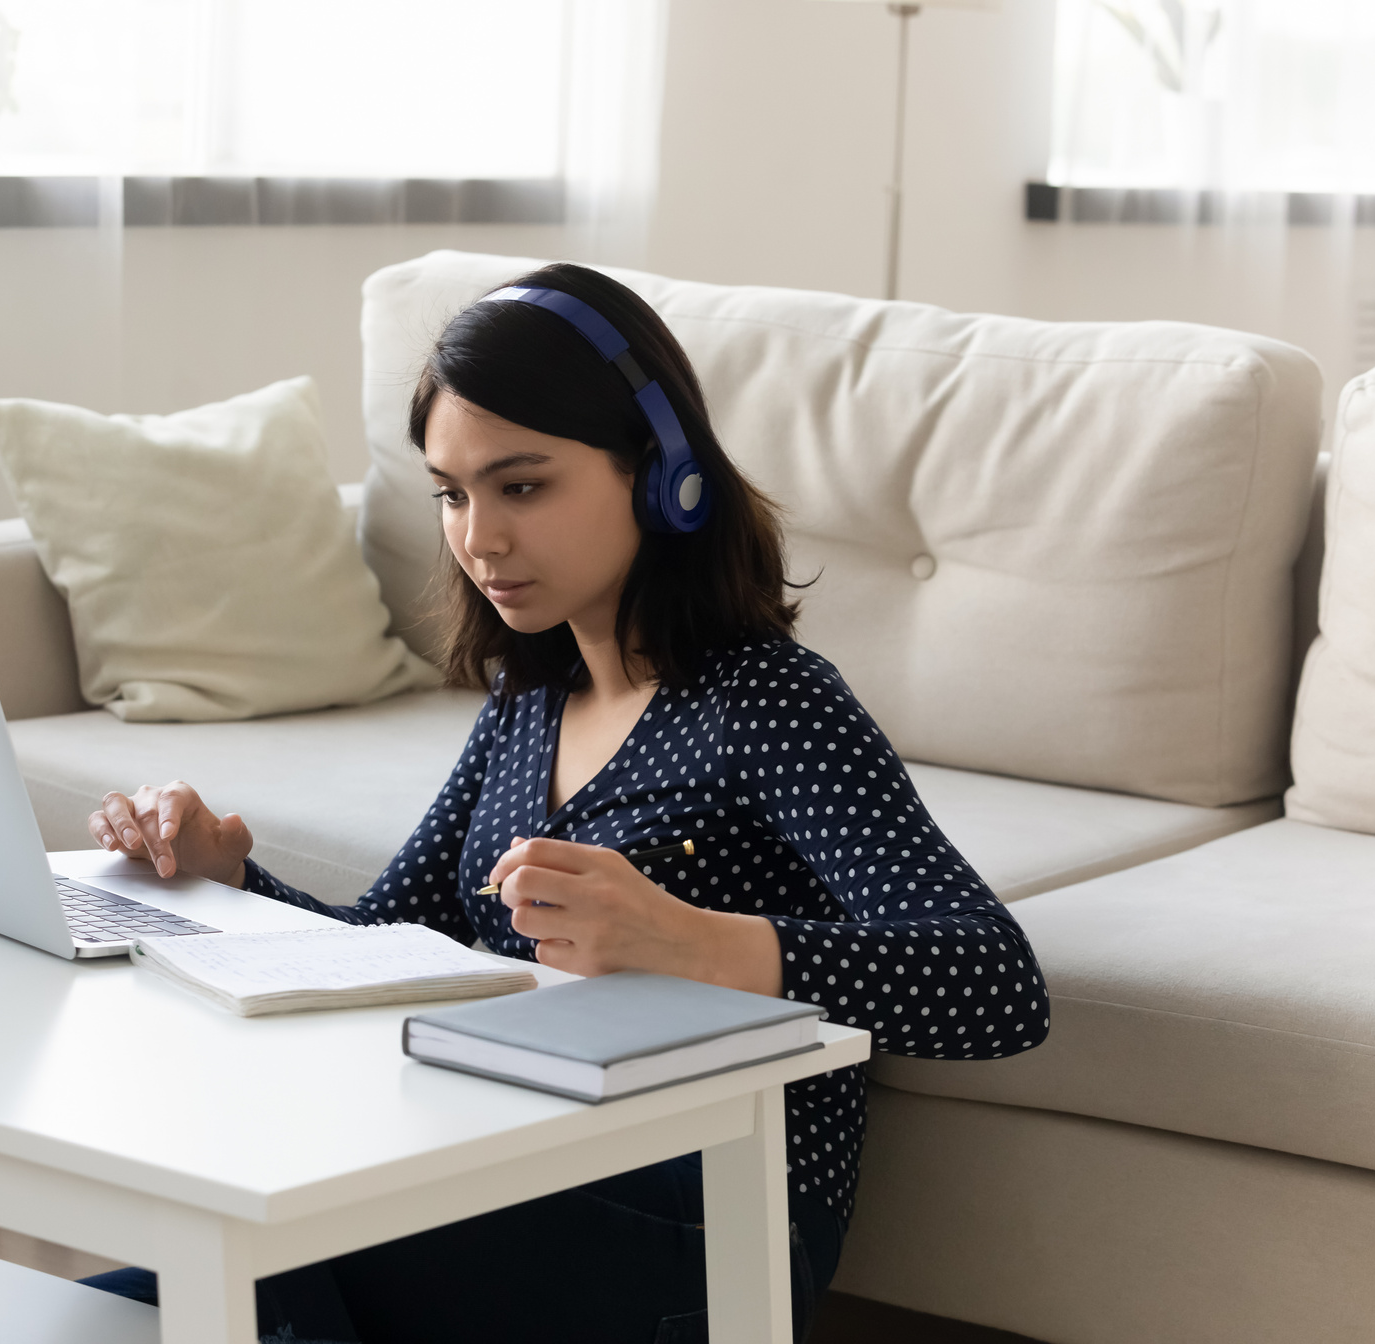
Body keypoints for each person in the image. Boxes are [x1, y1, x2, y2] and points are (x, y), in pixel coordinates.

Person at [80, 262, 1051, 1344]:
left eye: (522, 485)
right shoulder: (530, 699)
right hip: (508, 1159)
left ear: (660, 472)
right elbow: (386, 945)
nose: (478, 537)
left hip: (709, 1214)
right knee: (132, 1305)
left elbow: (997, 985)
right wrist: (228, 877)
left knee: (278, 1241)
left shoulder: (767, 699)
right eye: (453, 493)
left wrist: (689, 940)